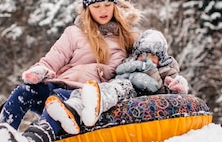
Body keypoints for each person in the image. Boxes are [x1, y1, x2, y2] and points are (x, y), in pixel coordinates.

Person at [0, 0, 141, 142]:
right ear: (87, 9)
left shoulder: (126, 40)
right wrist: (40, 71)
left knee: (59, 99)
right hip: (58, 85)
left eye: (107, 5)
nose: (102, 11)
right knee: (25, 91)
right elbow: (53, 58)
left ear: (115, 6)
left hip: (84, 97)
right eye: (96, 6)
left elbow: (143, 67)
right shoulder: (73, 33)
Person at [45, 29, 190, 135]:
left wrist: (178, 86)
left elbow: (172, 90)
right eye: (142, 55)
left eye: (152, 56)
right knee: (111, 87)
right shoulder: (129, 66)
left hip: (140, 97)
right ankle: (73, 107)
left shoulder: (167, 70)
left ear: (162, 58)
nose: (146, 59)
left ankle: (97, 102)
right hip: (123, 90)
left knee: (123, 87)